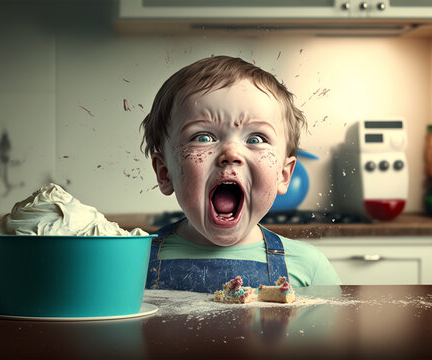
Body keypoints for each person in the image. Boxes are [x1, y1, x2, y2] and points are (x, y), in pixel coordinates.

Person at [140, 55, 341, 293]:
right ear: (164, 173)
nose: (231, 153)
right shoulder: (132, 262)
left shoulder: (309, 268)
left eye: (256, 138)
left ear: (284, 175)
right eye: (203, 137)